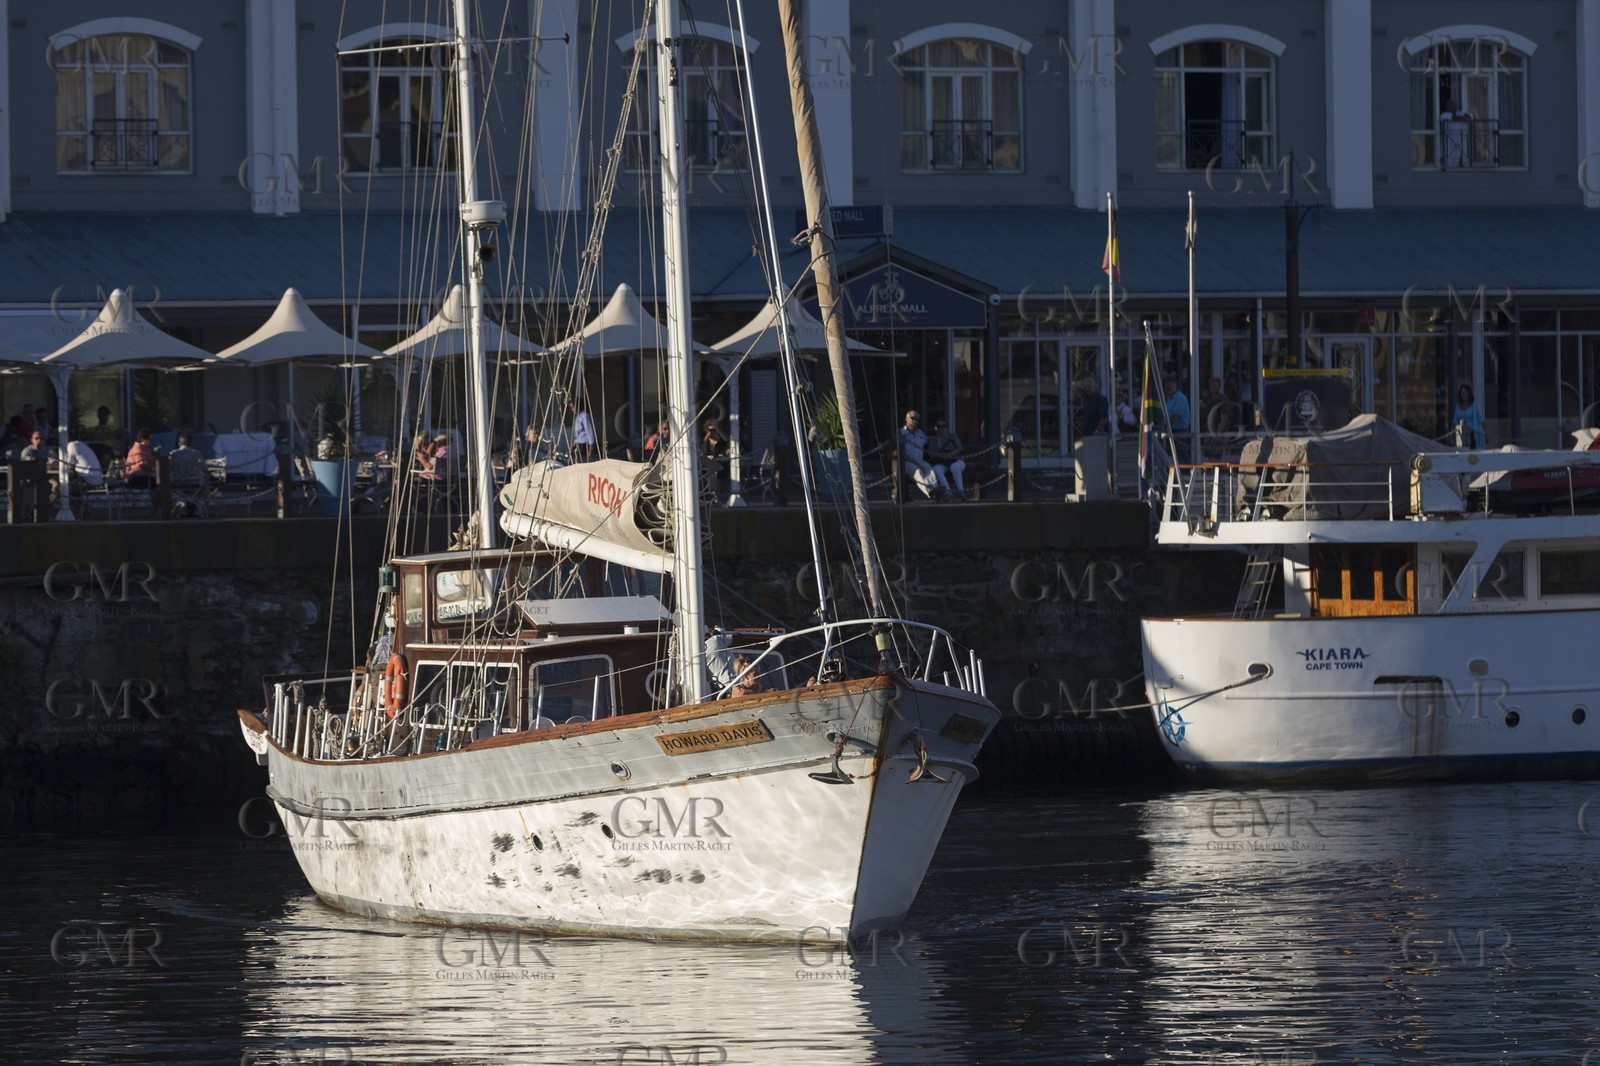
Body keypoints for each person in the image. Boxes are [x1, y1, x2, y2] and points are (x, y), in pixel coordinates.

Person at [899, 409, 951, 500]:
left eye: (917, 419)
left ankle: (936, 489)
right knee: (917, 471)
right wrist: (914, 462)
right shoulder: (901, 433)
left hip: (920, 461)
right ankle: (930, 493)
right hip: (906, 461)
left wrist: (940, 433)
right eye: (913, 418)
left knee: (929, 469)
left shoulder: (920, 433)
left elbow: (930, 440)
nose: (915, 421)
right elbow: (899, 452)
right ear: (906, 419)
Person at [926, 417, 968, 499]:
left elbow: (959, 448)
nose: (941, 428)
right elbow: (931, 453)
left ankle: (961, 491)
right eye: (939, 426)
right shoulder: (933, 440)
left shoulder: (952, 436)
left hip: (956, 460)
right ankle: (947, 492)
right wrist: (941, 455)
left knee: (954, 467)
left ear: (946, 427)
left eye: (943, 426)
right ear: (935, 428)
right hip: (942, 462)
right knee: (936, 469)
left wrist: (950, 454)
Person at [1453, 384, 1486, 449]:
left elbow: (1481, 420)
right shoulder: (1457, 406)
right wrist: (1452, 435)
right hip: (1461, 434)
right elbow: (1455, 421)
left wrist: (1486, 433)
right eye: (1462, 392)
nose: (1464, 394)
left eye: (1466, 392)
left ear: (1469, 393)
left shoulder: (1475, 405)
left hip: (1473, 434)